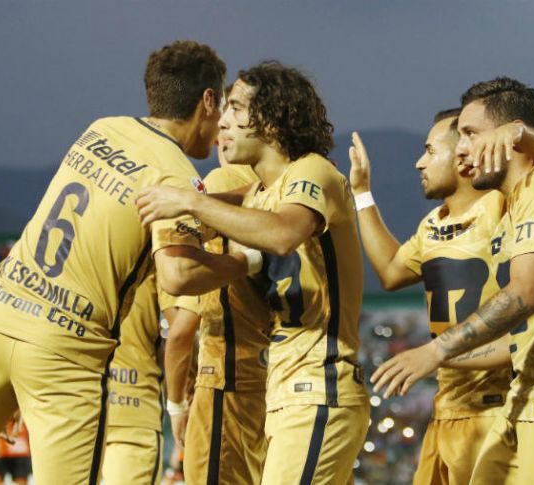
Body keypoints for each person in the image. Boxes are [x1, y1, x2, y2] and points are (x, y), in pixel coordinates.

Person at [370, 77, 534, 484]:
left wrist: (437, 350)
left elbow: (524, 293)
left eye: (471, 134)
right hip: (527, 402)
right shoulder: (516, 202)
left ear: (508, 136)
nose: (461, 148)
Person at [0, 39, 231, 484]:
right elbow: (177, 275)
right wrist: (246, 262)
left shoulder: (101, 128)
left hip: (2, 311)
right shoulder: (176, 174)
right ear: (208, 100)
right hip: (62, 350)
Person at [136, 61, 370, 485]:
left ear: (273, 117)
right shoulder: (259, 193)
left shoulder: (313, 170)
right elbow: (178, 274)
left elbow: (283, 234)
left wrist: (192, 204)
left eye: (236, 108)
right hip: (281, 389)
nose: (221, 121)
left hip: (320, 383)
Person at [349, 107, 534, 485]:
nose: (419, 162)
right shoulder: (432, 225)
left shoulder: (504, 206)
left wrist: (514, 135)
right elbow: (390, 271)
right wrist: (361, 194)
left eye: (430, 150)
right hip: (446, 410)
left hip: (496, 412)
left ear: (462, 158)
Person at [171, 135, 271, 485]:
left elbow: (182, 327)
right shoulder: (295, 185)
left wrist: (176, 405)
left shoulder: (216, 183)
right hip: (278, 377)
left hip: (227, 372)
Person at [102, 272, 201, 485]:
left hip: (76, 404)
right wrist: (179, 401)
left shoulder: (76, 250)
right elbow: (181, 333)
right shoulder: (158, 259)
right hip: (132, 410)